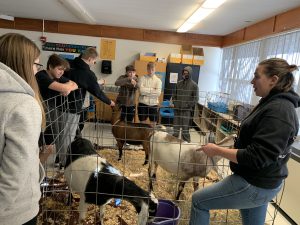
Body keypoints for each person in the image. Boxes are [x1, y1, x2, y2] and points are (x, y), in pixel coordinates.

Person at [189, 58, 300, 225]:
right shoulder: (271, 102)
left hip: (255, 183)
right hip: (261, 181)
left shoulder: (279, 111)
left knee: (199, 201)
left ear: (273, 80)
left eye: (256, 76)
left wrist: (217, 150)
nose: (251, 81)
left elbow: (257, 157)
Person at [0, 33, 46, 225]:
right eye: (36, 64)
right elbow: (14, 174)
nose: (37, 70)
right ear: (23, 64)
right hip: (13, 212)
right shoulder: (23, 105)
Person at [63, 47, 115, 165]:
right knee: (74, 132)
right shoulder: (88, 73)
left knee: (64, 132)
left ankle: (61, 158)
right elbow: (97, 92)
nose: (94, 63)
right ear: (90, 58)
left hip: (60, 104)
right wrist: (110, 102)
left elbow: (84, 83)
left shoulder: (68, 64)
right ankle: (66, 160)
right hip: (76, 106)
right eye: (94, 61)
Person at [36, 54, 78, 166]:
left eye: (63, 70)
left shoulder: (56, 77)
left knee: (49, 147)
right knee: (36, 147)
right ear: (50, 66)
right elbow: (65, 87)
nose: (62, 72)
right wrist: (66, 88)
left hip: (49, 117)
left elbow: (75, 84)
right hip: (38, 116)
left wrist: (67, 88)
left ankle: (36, 170)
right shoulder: (41, 76)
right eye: (59, 69)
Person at [172, 66, 198, 143]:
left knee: (185, 130)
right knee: (175, 129)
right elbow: (174, 95)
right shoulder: (179, 84)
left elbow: (196, 99)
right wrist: (175, 103)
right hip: (177, 110)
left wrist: (187, 105)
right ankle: (173, 144)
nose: (185, 74)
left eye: (187, 73)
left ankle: (187, 145)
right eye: (184, 73)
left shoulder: (194, 85)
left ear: (190, 74)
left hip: (186, 111)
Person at [138, 62, 162, 126]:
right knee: (142, 124)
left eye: (152, 70)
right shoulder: (142, 78)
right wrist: (153, 90)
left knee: (153, 125)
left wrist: (145, 90)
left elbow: (158, 93)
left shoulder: (158, 81)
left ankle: (151, 136)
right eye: (149, 69)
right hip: (143, 104)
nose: (150, 71)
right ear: (147, 69)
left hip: (153, 104)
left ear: (155, 70)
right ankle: (143, 136)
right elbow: (141, 91)